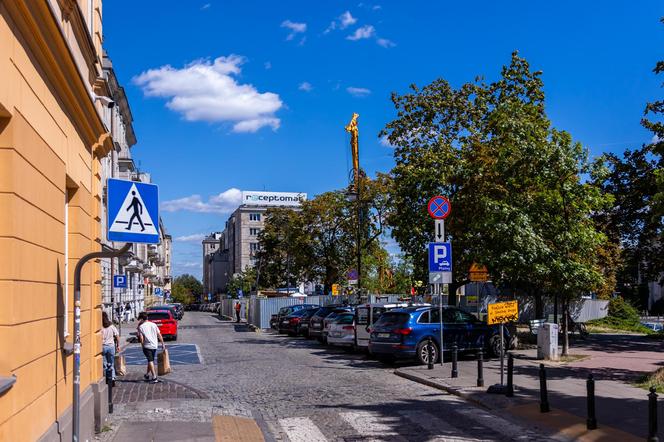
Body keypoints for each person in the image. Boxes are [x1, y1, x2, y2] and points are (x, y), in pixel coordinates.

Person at [137, 311, 165, 383]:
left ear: (142, 319)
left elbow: (141, 338)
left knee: (150, 361)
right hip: (154, 345)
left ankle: (154, 377)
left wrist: (142, 345)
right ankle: (147, 374)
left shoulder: (141, 327)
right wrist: (162, 343)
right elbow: (159, 334)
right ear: (147, 317)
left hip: (147, 346)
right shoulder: (154, 324)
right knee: (150, 360)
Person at [101, 311, 119, 380]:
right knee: (111, 363)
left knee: (104, 363)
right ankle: (113, 377)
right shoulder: (111, 326)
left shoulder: (100, 327)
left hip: (103, 346)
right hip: (111, 346)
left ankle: (107, 376)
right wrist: (118, 345)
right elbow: (117, 336)